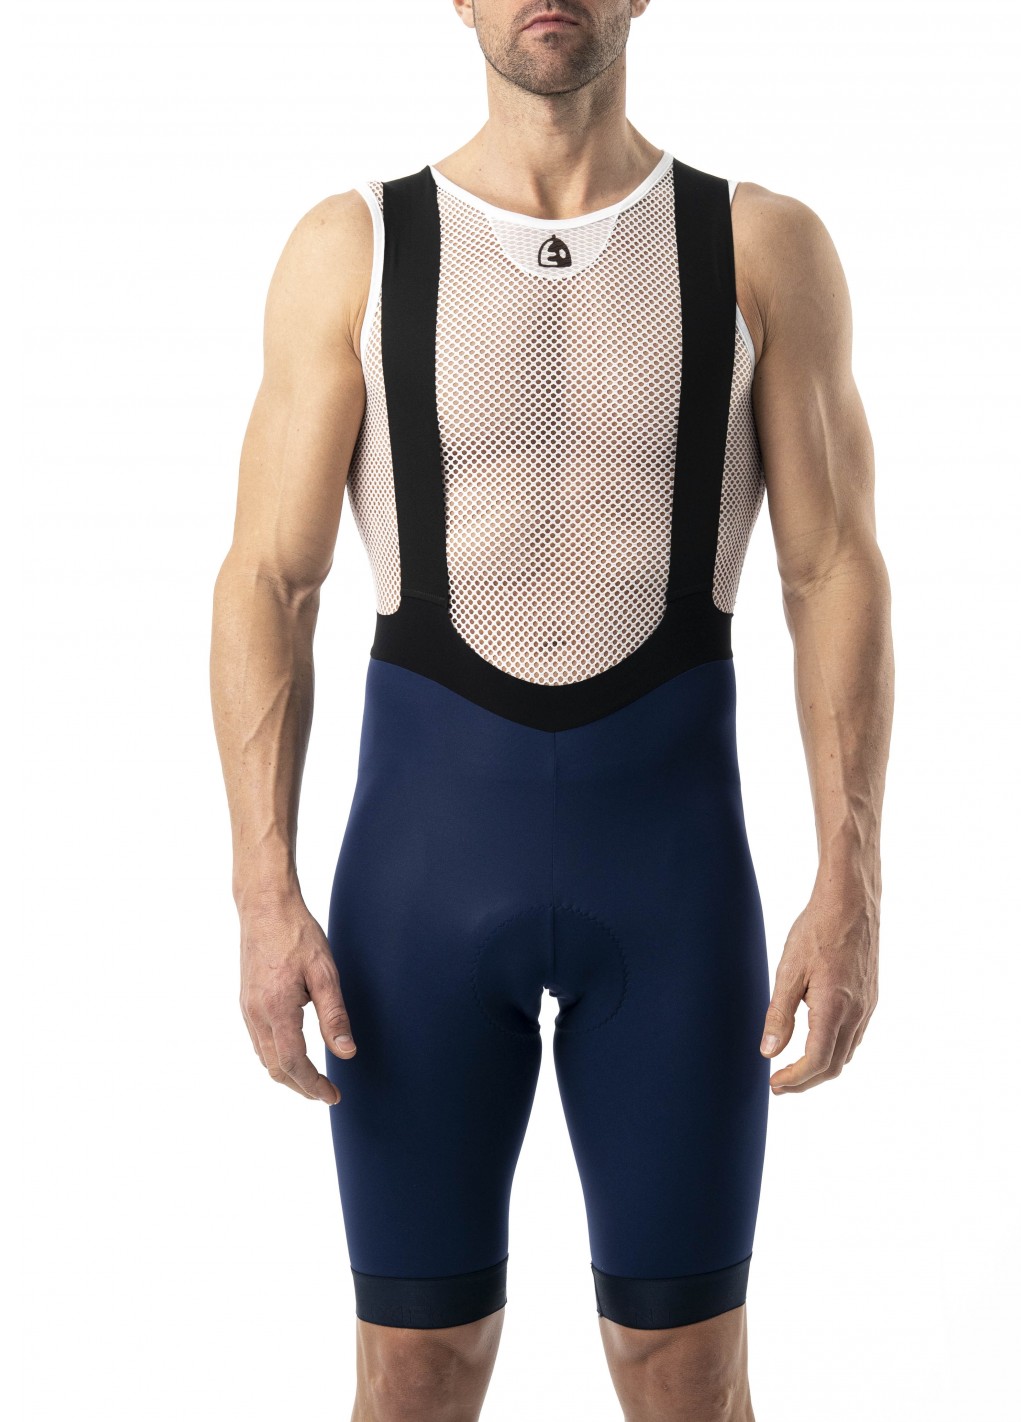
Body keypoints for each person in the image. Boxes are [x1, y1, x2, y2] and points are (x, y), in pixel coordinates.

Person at [210, 2, 893, 1417]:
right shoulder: (355, 248)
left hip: (674, 888)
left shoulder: (760, 249)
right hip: (420, 889)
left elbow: (833, 569)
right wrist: (263, 893)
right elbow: (270, 580)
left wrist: (854, 878)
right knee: (415, 1369)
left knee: (687, 1371)